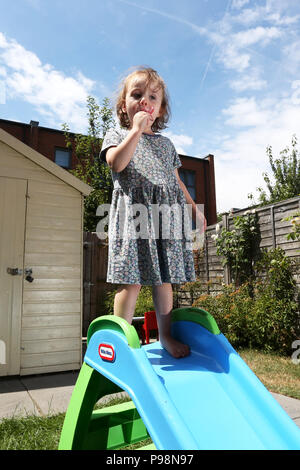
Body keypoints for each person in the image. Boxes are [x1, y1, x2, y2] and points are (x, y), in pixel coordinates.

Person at [100, 66, 206, 358]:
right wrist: (134, 131)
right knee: (130, 279)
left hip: (166, 219)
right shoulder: (117, 134)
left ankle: (166, 337)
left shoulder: (166, 145)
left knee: (164, 280)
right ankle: (120, 343)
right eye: (137, 95)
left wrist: (195, 210)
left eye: (152, 97)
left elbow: (175, 181)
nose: (144, 101)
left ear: (159, 111)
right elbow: (116, 164)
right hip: (133, 218)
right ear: (125, 105)